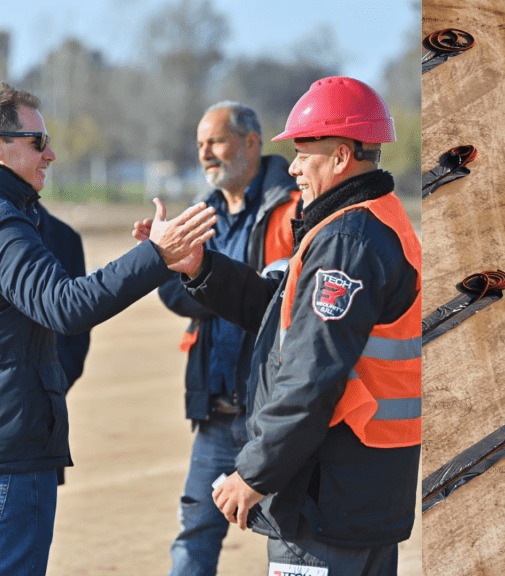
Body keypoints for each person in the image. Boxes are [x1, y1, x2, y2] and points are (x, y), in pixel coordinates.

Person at [0, 82, 217, 576]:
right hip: (6, 459)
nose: (50, 153)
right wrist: (156, 257)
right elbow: (66, 306)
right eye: (36, 142)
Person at [141, 77, 420, 576]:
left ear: (339, 157)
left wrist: (252, 473)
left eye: (302, 152)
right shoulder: (371, 222)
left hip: (326, 495)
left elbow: (310, 375)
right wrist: (202, 268)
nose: (292, 168)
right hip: (363, 491)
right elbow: (282, 312)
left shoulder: (346, 242)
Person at [157, 101, 299, 576]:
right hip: (217, 416)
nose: (206, 154)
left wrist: (211, 282)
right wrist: (184, 269)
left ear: (252, 143)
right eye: (200, 145)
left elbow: (284, 302)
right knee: (193, 538)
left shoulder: (295, 205)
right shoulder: (202, 213)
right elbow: (172, 292)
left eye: (215, 141)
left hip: (275, 420)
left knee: (293, 547)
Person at [35, 201, 91, 486]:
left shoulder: (64, 238)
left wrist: (51, 384)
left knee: (37, 522)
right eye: (37, 150)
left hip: (45, 417)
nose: (46, 156)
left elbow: (77, 333)